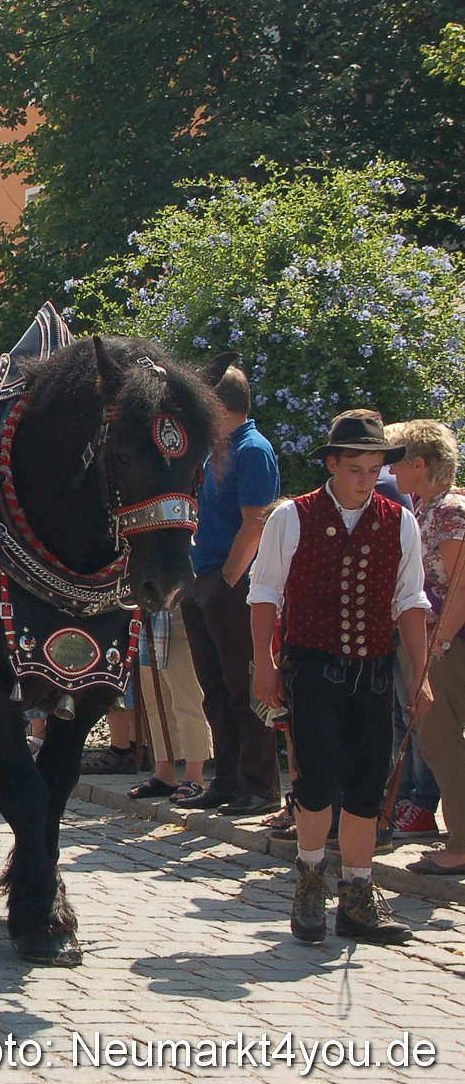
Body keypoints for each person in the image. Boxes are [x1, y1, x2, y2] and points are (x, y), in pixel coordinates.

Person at [250, 410, 430, 944]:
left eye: (374, 470)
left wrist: (420, 674)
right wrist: (265, 663)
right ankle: (310, 882)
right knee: (316, 777)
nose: (365, 480)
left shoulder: (400, 521)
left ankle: (357, 893)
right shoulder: (292, 517)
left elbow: (410, 601)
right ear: (332, 464)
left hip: (373, 668)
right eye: (356, 468)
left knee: (367, 781)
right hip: (310, 664)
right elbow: (264, 593)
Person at [177, 363, 283, 815]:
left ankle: (260, 787)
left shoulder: (252, 449)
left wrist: (226, 582)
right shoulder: (214, 450)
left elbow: (256, 522)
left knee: (245, 688)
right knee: (215, 689)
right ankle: (228, 779)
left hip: (233, 583)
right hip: (202, 577)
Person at [384, 421, 465, 874]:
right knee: (437, 743)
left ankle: (461, 847)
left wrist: (438, 646)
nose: (390, 471)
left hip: (449, 648)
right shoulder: (428, 508)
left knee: (443, 744)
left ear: (419, 464)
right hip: (438, 644)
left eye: (395, 461)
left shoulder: (449, 511)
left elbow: (460, 586)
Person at [126, 610, 213, 799]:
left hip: (178, 617)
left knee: (187, 702)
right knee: (155, 704)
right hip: (149, 621)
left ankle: (194, 776)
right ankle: (164, 774)